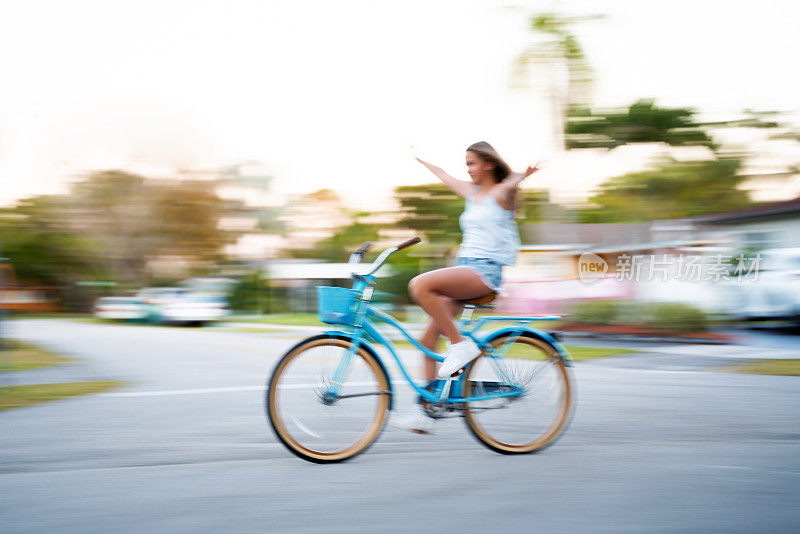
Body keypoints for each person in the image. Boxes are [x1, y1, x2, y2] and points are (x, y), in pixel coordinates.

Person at [393, 141, 543, 433]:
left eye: (473, 163)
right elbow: (444, 175)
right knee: (427, 340)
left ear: (488, 163)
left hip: (485, 271)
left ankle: (461, 345)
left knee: (420, 285)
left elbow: (512, 182)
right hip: (466, 268)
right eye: (467, 164)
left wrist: (525, 174)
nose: (469, 169)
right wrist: (422, 159)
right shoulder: (471, 192)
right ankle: (428, 410)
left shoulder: (501, 193)